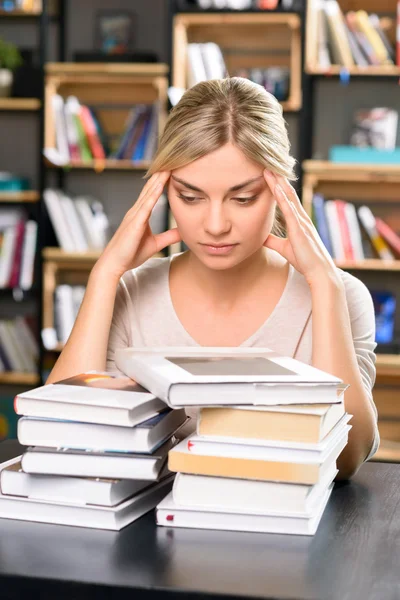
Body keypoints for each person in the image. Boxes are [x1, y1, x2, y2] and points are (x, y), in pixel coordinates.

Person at [46, 77, 379, 479]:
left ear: (280, 192)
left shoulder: (339, 295)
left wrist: (324, 284)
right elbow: (59, 435)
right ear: (163, 190)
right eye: (190, 197)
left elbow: (347, 459)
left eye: (243, 198)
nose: (216, 225)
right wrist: (105, 275)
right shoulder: (129, 292)